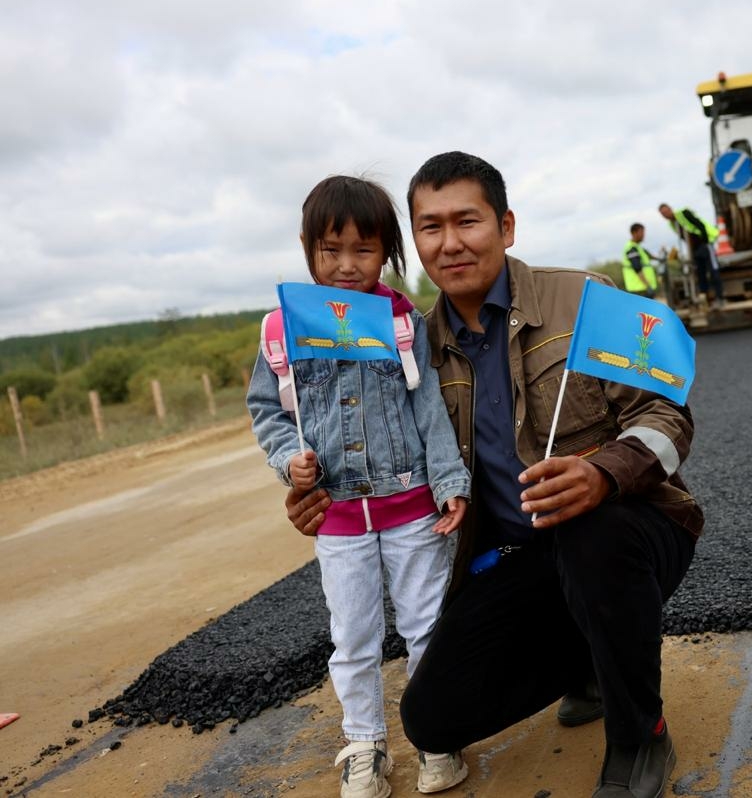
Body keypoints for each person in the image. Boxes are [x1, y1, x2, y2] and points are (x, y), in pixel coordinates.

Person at [286, 153, 703, 798]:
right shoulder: (413, 352)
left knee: (593, 535)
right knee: (431, 718)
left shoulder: (584, 300)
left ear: (506, 226)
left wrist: (604, 475)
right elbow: (377, 451)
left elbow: (666, 416)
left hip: (630, 530)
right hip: (518, 556)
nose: (450, 243)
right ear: (415, 244)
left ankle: (638, 734)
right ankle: (592, 658)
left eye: (467, 221)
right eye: (430, 227)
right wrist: (315, 491)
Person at [247, 175, 472, 798]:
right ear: (306, 247)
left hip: (411, 510)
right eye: (330, 250)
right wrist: (289, 459)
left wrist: (449, 480)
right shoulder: (281, 330)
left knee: (427, 626)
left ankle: (436, 735)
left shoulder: (402, 323)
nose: (347, 265)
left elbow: (429, 405)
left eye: (364, 250)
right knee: (353, 637)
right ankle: (366, 744)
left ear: (388, 251)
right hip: (340, 517)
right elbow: (268, 412)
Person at [657, 203, 723, 307]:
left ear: (670, 209)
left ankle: (720, 298)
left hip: (704, 243)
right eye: (663, 214)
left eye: (666, 212)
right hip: (695, 248)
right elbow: (684, 238)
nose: (666, 215)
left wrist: (705, 241)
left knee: (713, 271)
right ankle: (705, 299)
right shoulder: (672, 224)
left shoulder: (683, 213)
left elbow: (700, 225)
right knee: (700, 273)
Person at [622, 222, 659, 299]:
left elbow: (650, 256)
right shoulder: (631, 248)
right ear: (634, 233)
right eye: (642, 232)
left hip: (642, 289)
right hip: (639, 289)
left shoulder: (638, 247)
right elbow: (637, 268)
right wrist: (648, 286)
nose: (644, 235)